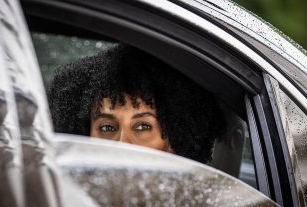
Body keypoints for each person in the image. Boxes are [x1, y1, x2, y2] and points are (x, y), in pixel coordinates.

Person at [47, 44, 225, 164]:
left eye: (142, 127)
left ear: (174, 142)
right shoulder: (61, 204)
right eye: (107, 128)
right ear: (86, 134)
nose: (122, 143)